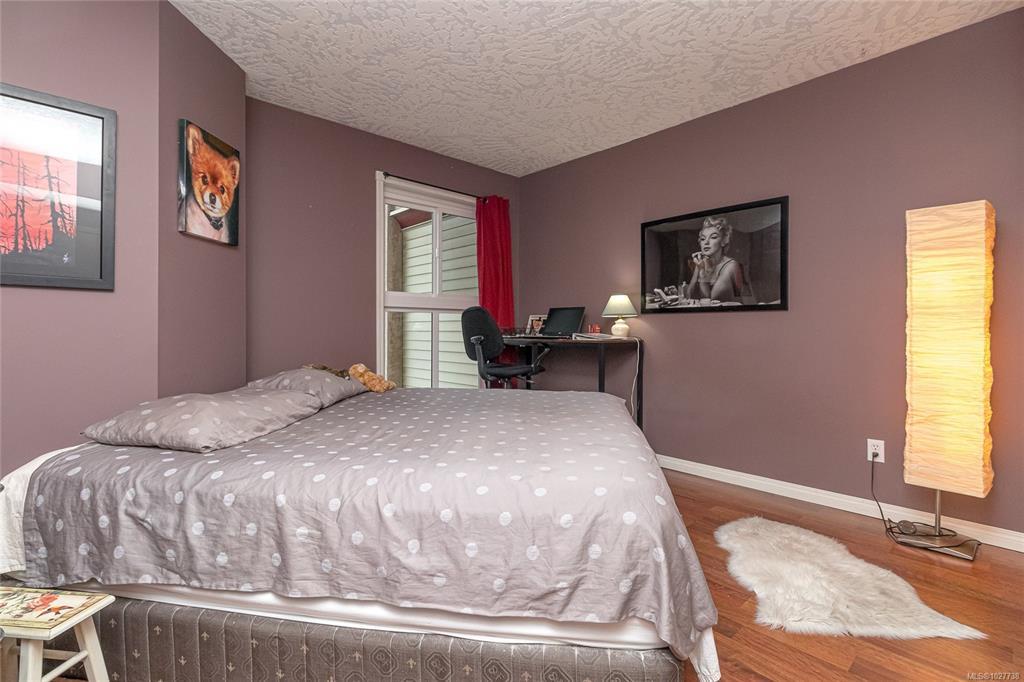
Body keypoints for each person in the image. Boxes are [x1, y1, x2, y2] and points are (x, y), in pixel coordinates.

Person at [685, 215, 746, 303]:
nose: (706, 242)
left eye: (713, 237)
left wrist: (702, 274)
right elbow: (688, 296)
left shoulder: (731, 266)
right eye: (703, 239)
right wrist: (698, 268)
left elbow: (711, 301)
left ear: (724, 241)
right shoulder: (702, 262)